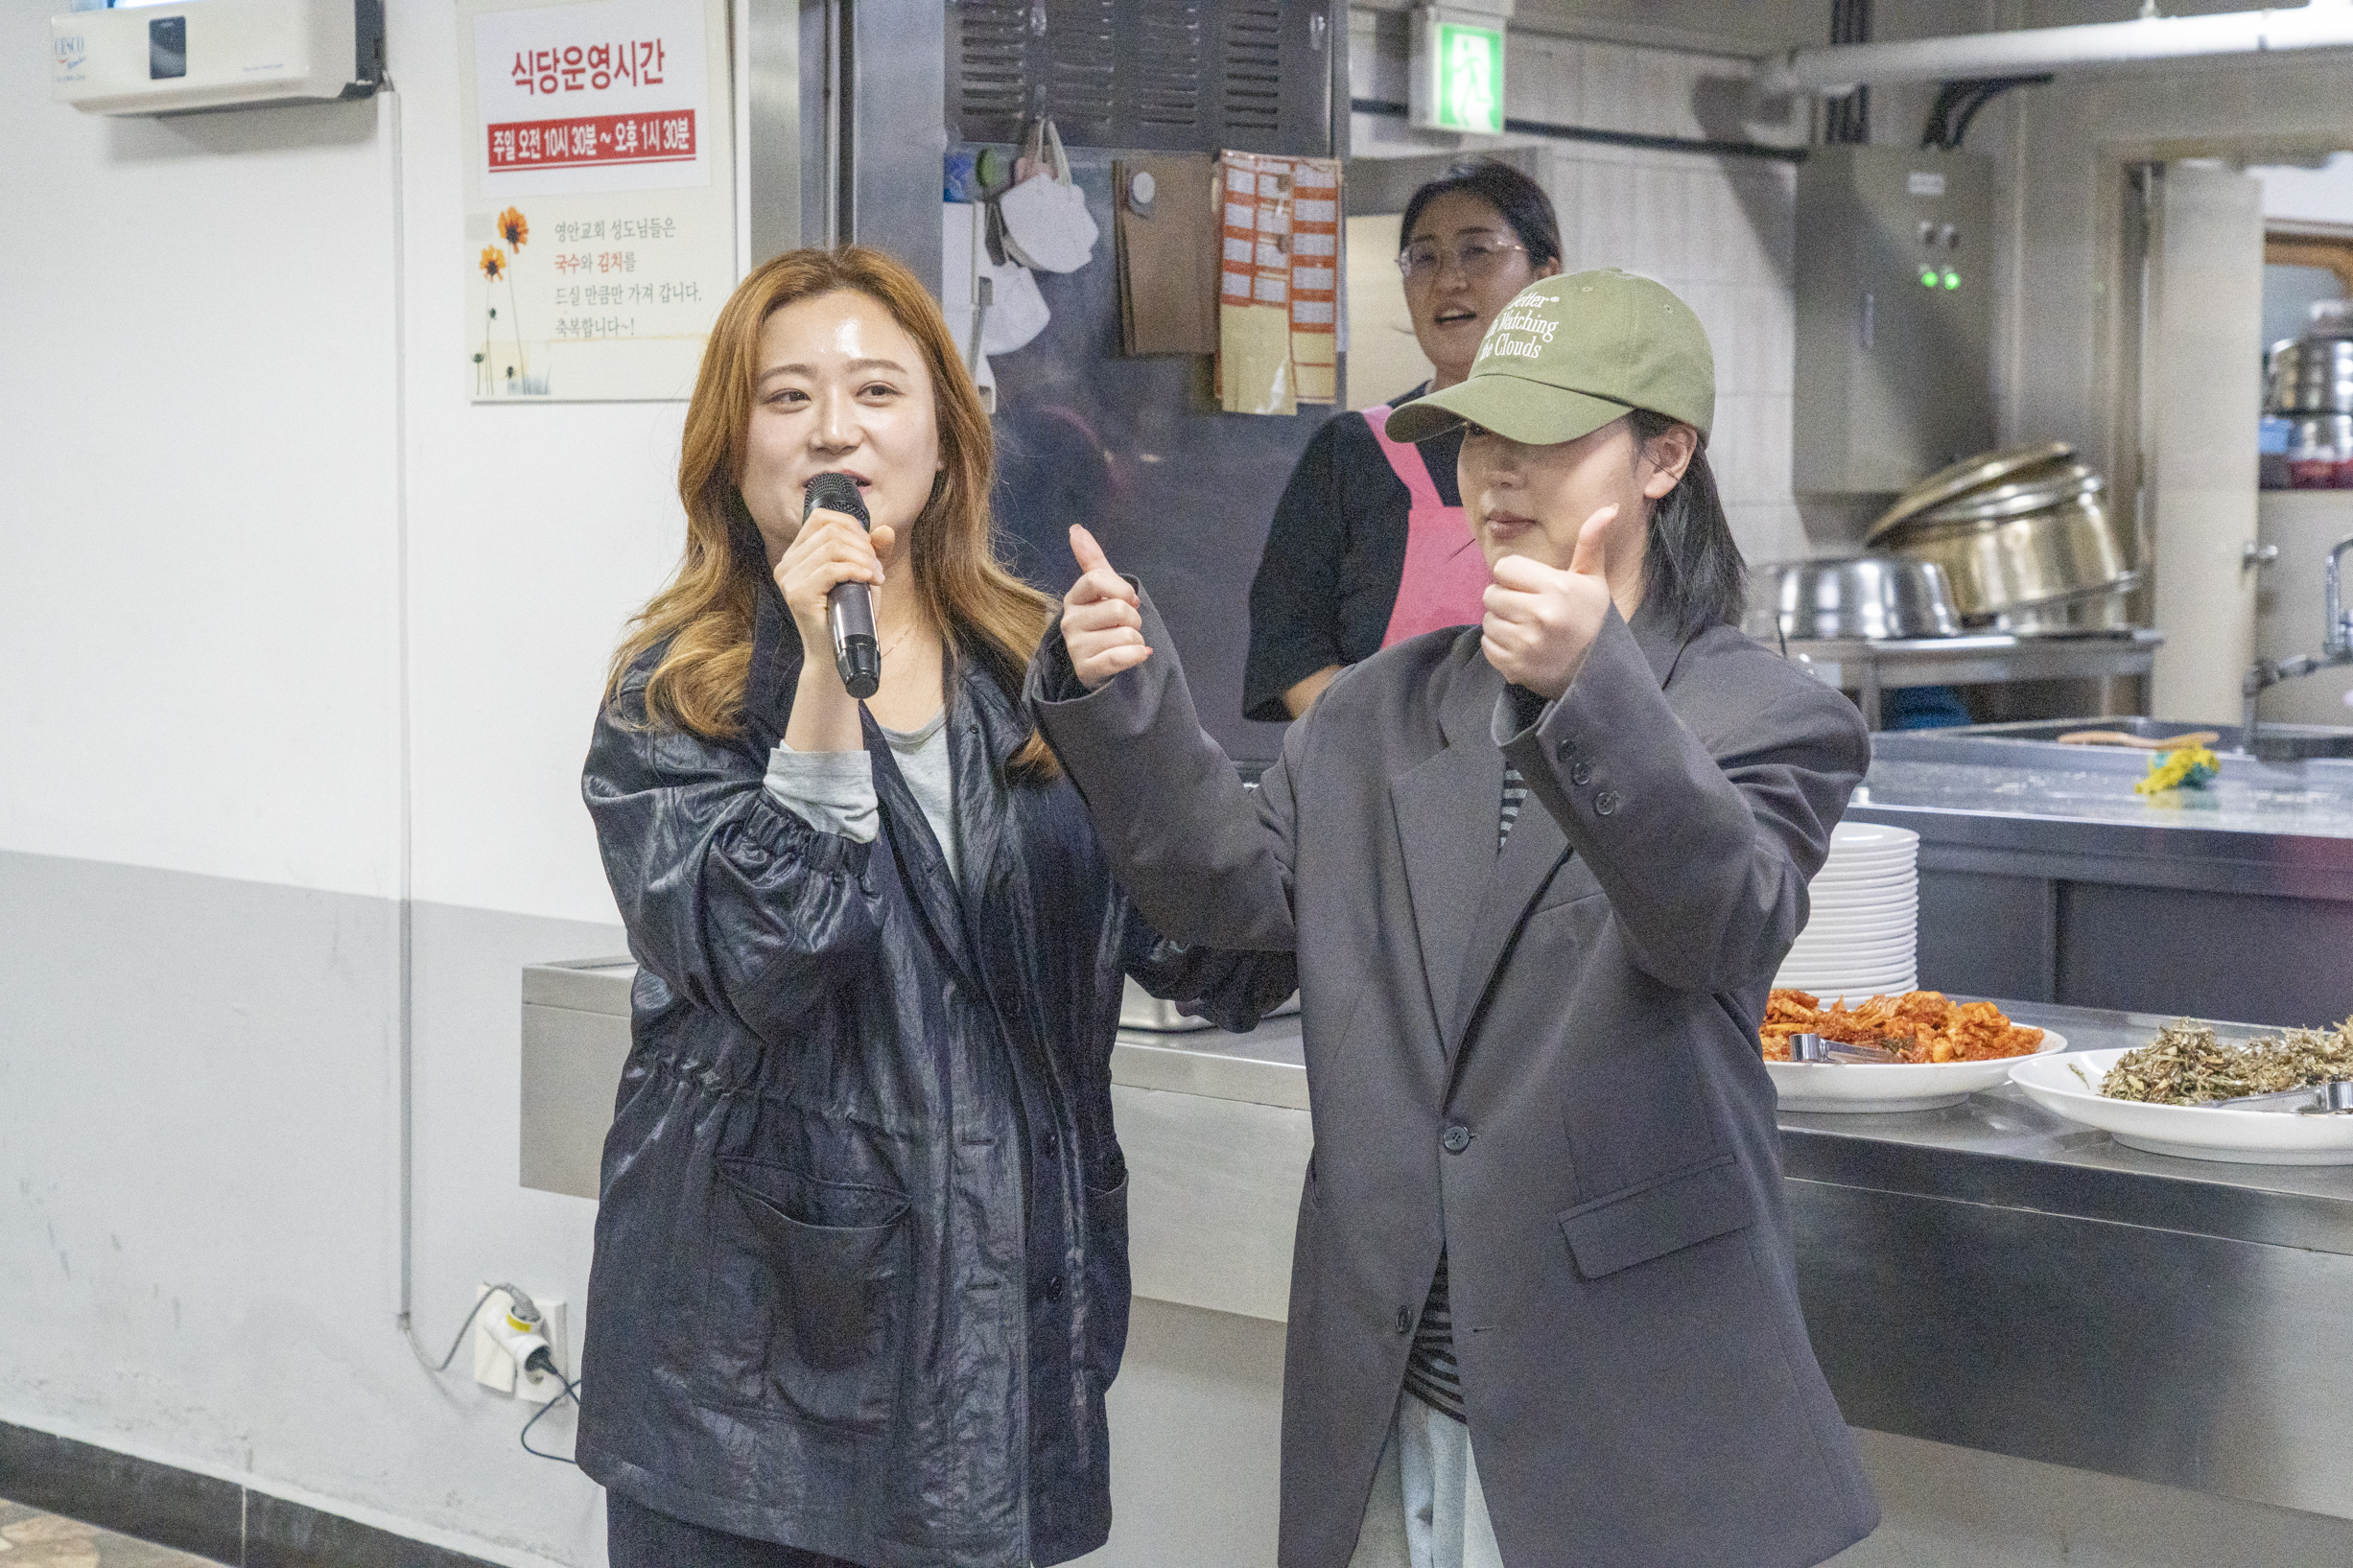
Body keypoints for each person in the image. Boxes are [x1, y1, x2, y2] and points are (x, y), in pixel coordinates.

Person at [1028, 270, 1881, 1567]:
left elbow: (1717, 924)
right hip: (1388, 1378)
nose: (1498, 472)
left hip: (1618, 1403)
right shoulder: (1377, 708)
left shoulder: (1763, 712)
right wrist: (1123, 703)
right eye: (1479, 436)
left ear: (1664, 455)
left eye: (1547, 435)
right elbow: (1230, 910)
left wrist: (1589, 688)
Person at [576, 246, 1286, 1568]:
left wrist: (1136, 731)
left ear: (948, 437)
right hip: (746, 1385)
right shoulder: (673, 696)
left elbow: (1221, 955)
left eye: (875, 391)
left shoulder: (1035, 671)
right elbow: (770, 957)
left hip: (1000, 1346)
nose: (832, 429)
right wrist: (819, 673)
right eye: (786, 397)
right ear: (732, 451)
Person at [1242, 159, 1563, 723]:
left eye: (1477, 251)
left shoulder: (1589, 444)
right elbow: (1290, 644)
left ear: (1544, 276)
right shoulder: (1353, 452)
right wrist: (1393, 749)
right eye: (1425, 257)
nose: (1448, 280)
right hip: (1378, 769)